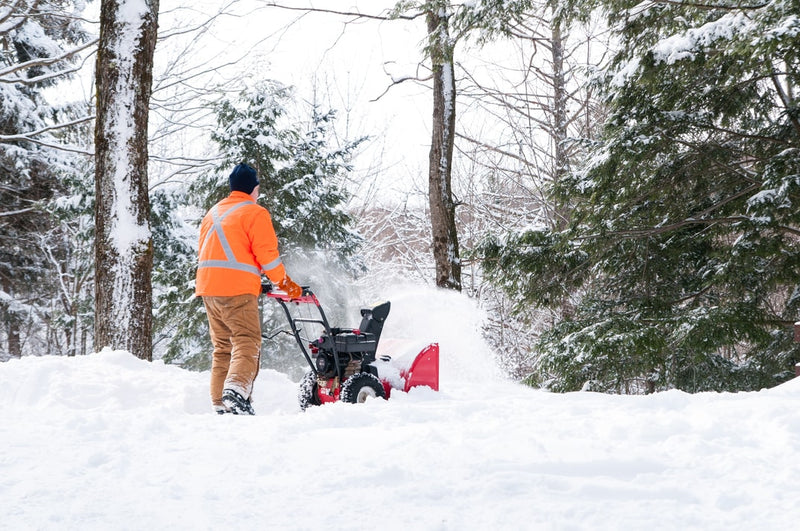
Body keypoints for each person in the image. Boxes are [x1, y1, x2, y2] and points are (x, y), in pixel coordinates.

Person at [195, 163, 302, 415]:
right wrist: (284, 282)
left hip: (208, 287)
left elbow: (215, 250)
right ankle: (236, 391)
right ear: (254, 188)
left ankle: (220, 403)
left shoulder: (214, 212)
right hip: (236, 289)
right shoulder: (255, 212)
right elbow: (267, 256)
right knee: (247, 341)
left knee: (222, 347)